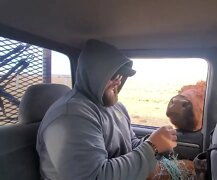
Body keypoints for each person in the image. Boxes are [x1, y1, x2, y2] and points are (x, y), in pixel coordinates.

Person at [36, 39, 177, 180]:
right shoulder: (71, 115)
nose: (119, 81)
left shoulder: (116, 107)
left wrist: (156, 142)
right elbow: (96, 176)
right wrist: (152, 147)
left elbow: (129, 144)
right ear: (93, 74)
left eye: (122, 75)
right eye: (114, 75)